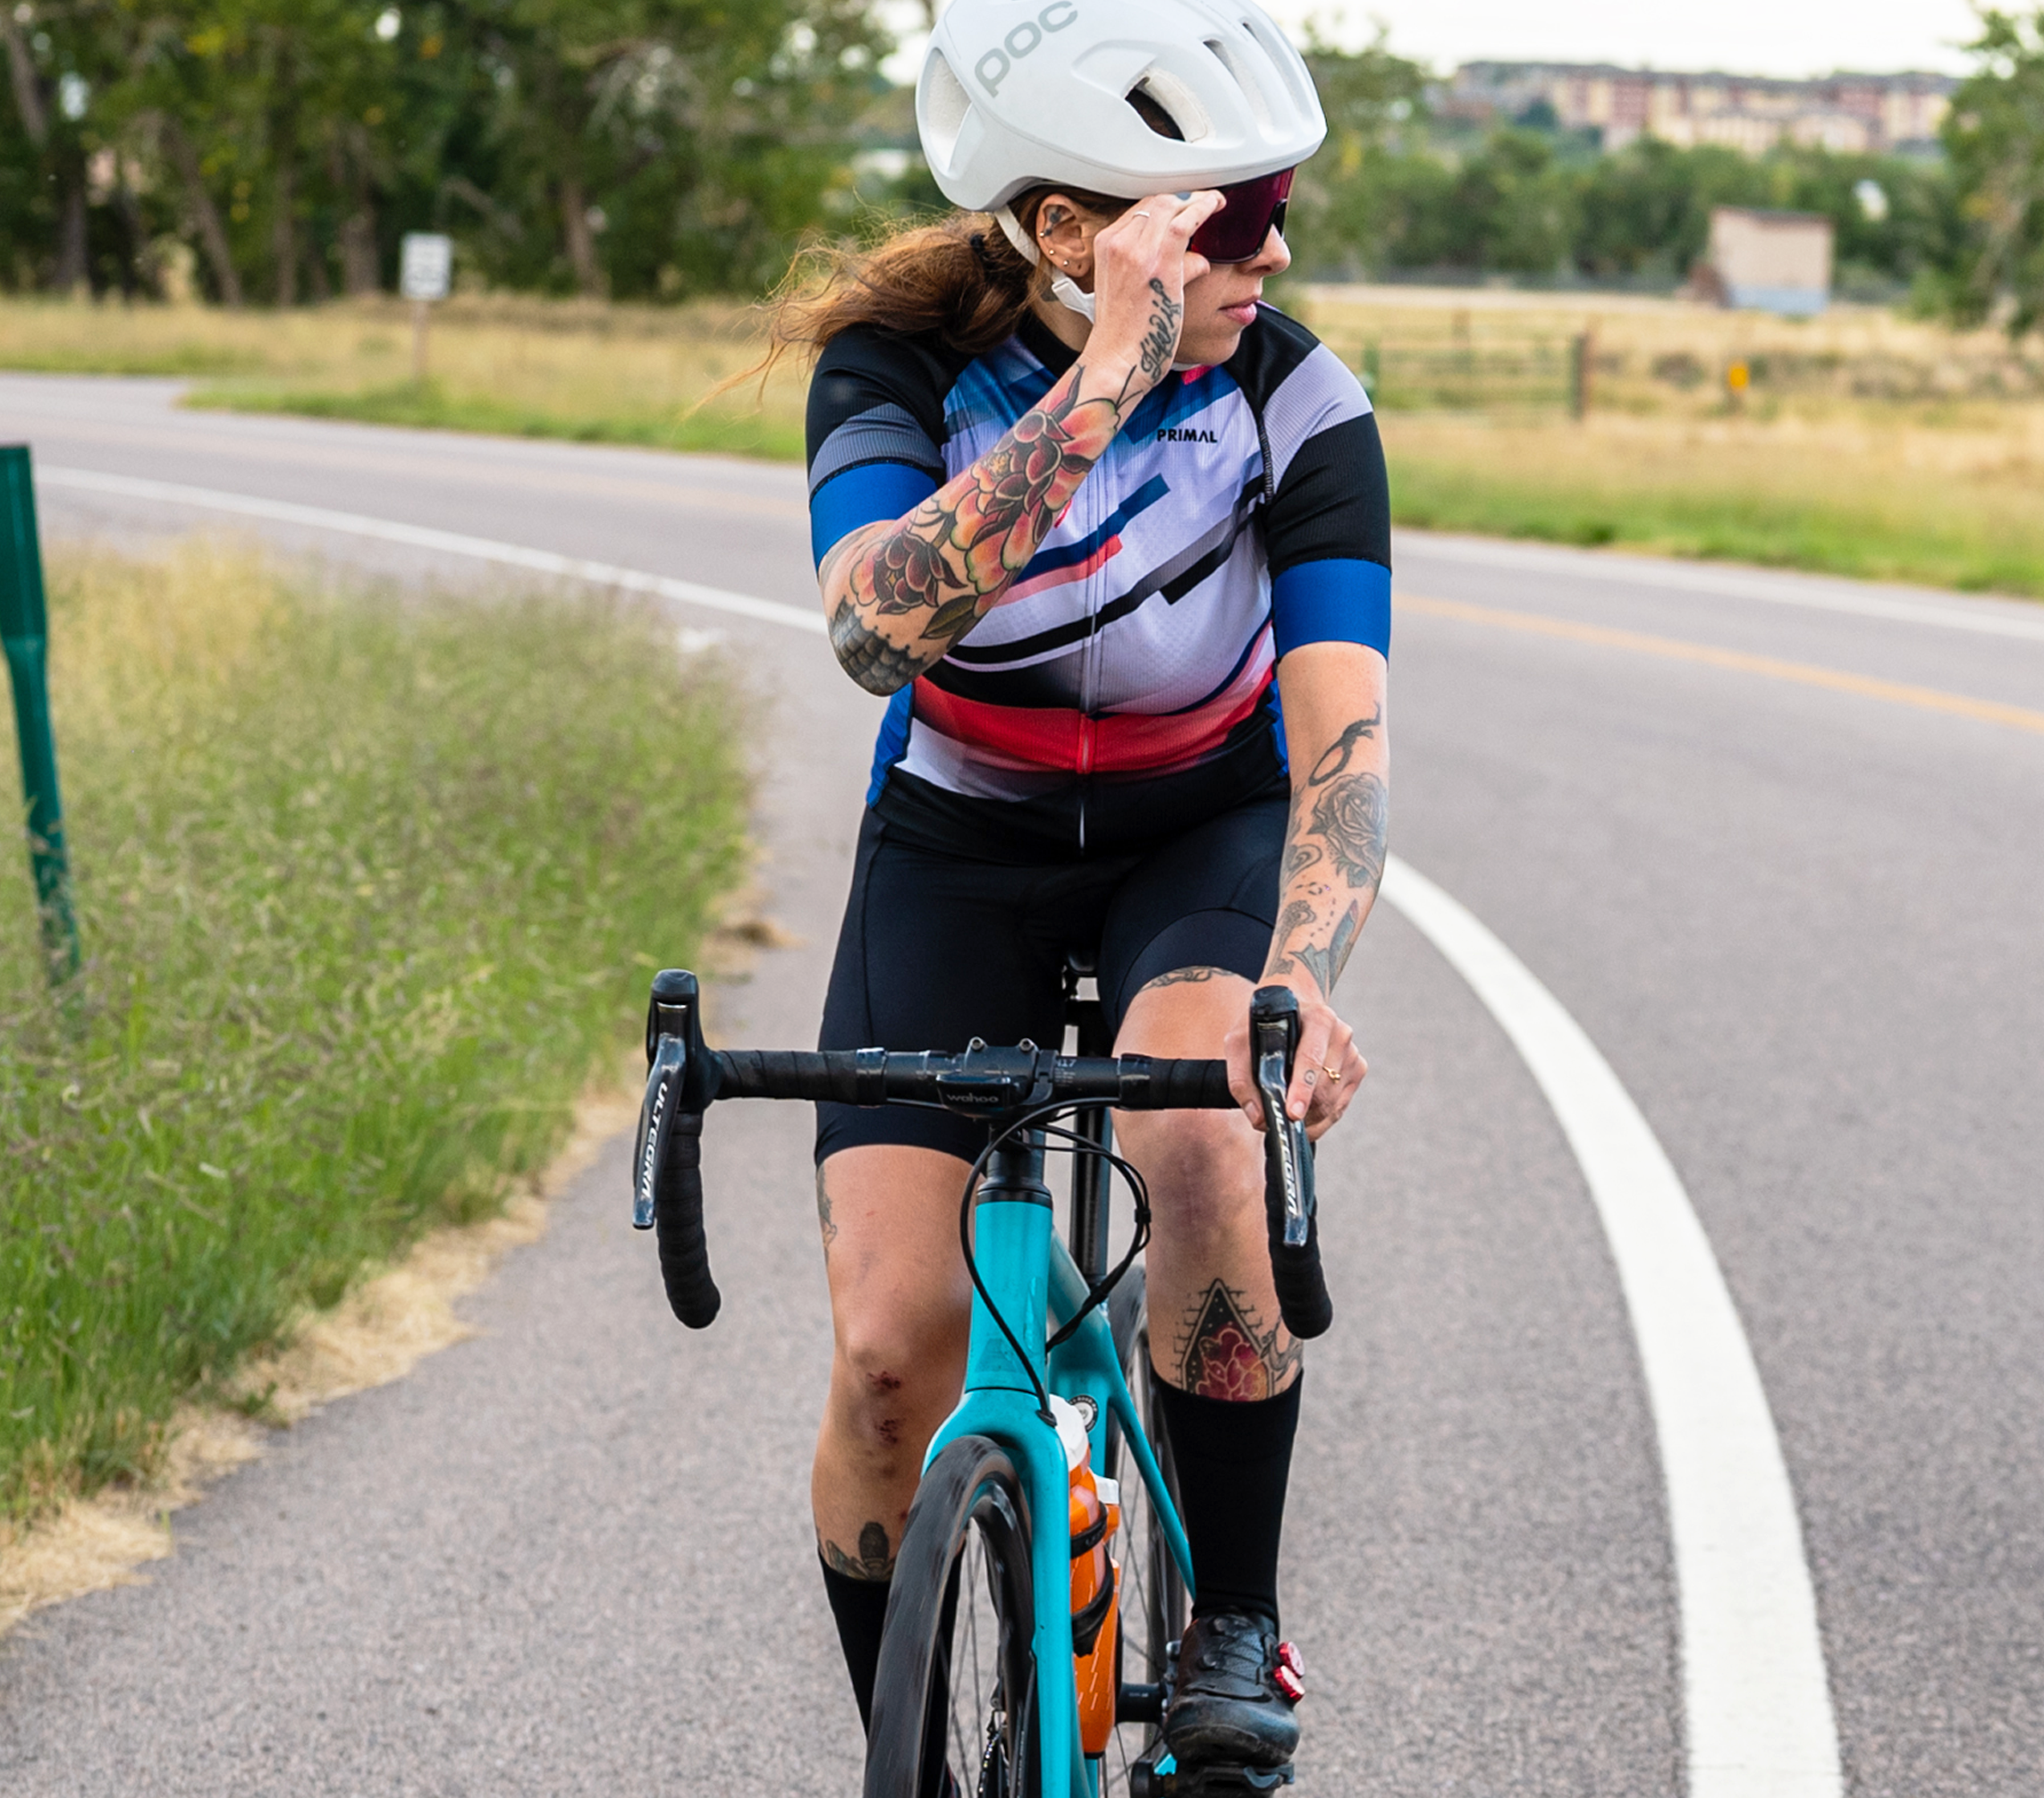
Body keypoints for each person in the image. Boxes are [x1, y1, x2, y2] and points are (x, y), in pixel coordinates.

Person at [779, 0, 1389, 1777]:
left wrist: (1295, 990)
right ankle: (914, 1743)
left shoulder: (1298, 396)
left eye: (1278, 204)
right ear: (1072, 230)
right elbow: (873, 629)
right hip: (962, 842)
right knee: (894, 1353)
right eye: (1227, 215)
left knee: (1198, 1141)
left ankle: (1238, 1627)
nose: (1273, 250)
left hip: (1201, 832)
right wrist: (1104, 375)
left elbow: (1343, 753)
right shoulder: (894, 367)